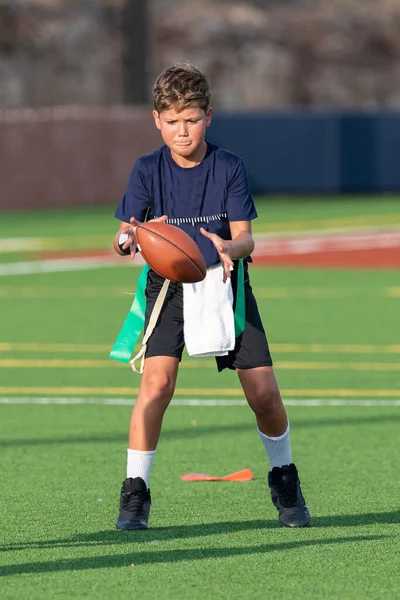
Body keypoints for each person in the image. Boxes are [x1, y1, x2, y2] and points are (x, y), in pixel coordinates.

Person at [112, 63, 310, 530]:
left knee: (263, 392)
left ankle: (285, 481)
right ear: (157, 120)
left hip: (225, 283)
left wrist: (228, 247)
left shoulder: (229, 166)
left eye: (192, 118)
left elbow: (246, 238)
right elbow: (128, 228)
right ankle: (134, 494)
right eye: (173, 120)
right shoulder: (146, 169)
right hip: (168, 290)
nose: (183, 130)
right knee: (156, 386)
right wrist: (126, 240)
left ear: (208, 117)